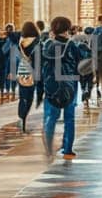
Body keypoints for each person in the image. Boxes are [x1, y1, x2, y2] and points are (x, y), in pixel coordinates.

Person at [39, 16, 83, 159]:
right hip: (69, 85)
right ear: (67, 29)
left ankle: (48, 149)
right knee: (69, 118)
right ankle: (68, 150)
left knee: (51, 118)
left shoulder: (46, 45)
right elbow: (79, 65)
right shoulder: (72, 46)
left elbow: (41, 66)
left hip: (51, 85)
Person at [14, 22, 41, 132]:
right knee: (30, 96)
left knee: (22, 96)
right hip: (32, 69)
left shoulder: (21, 40)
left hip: (22, 68)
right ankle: (24, 116)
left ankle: (21, 116)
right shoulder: (37, 41)